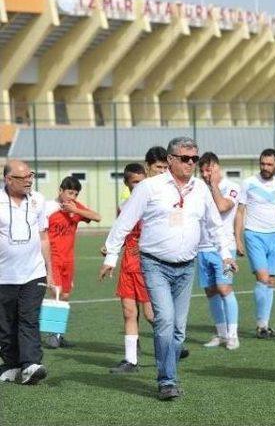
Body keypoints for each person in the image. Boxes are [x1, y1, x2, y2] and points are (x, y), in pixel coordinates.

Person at [99, 137, 236, 400]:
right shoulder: (149, 187)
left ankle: (168, 373)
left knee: (178, 330)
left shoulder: (200, 189)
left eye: (194, 159)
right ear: (171, 160)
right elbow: (124, 222)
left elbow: (214, 224)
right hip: (154, 264)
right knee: (164, 322)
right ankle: (167, 381)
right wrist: (111, 257)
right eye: (185, 158)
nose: (191, 163)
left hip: (186, 266)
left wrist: (226, 253)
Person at [234, 148, 275, 339]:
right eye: (262, 163)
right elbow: (240, 212)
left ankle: (264, 325)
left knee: (271, 281)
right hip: (254, 235)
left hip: (274, 237)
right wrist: (237, 238)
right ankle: (261, 326)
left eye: (269, 164)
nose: (265, 167)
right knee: (263, 278)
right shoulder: (248, 183)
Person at [0, 160, 52, 384]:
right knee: (5, 323)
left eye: (31, 175)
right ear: (8, 179)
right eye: (24, 177)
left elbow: (44, 237)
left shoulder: (38, 200)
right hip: (3, 275)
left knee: (29, 319)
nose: (30, 180)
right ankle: (11, 365)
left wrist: (50, 270)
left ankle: (31, 364)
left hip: (34, 272)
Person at [107, 163, 154, 374]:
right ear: (127, 183)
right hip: (128, 265)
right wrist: (110, 249)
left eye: (142, 181)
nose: (139, 185)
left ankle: (172, 344)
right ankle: (130, 361)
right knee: (128, 312)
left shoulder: (153, 204)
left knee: (151, 315)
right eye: (135, 182)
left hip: (146, 265)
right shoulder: (124, 205)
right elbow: (121, 231)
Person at [44, 176, 101, 348]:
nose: (72, 197)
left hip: (68, 259)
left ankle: (58, 335)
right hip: (52, 258)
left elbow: (97, 217)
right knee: (56, 293)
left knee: (65, 296)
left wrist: (75, 210)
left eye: (75, 194)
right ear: (60, 191)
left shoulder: (75, 207)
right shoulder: (48, 208)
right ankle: (52, 335)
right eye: (69, 193)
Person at [198, 152, 240, 350]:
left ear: (217, 167)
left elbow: (223, 207)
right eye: (203, 170)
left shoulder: (232, 187)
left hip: (225, 248)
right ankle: (221, 333)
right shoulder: (197, 189)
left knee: (225, 288)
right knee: (211, 291)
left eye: (209, 169)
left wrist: (213, 184)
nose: (206, 174)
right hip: (202, 247)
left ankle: (233, 335)